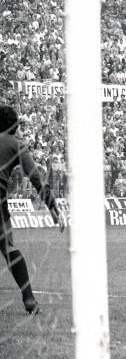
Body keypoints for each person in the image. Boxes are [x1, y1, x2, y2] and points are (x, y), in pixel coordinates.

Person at [0, 105, 65, 314]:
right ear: (15, 126)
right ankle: (28, 298)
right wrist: (52, 206)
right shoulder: (15, 144)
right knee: (9, 248)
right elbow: (36, 177)